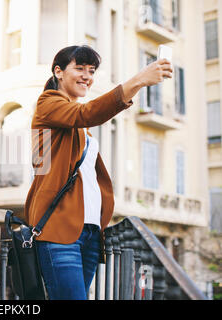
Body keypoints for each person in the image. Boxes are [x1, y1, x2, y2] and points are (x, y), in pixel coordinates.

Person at [23, 45, 173, 300]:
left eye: (91, 71)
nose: (87, 76)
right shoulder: (47, 103)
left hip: (90, 232)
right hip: (59, 228)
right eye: (79, 68)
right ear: (58, 72)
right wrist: (138, 80)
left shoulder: (80, 128)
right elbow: (87, 113)